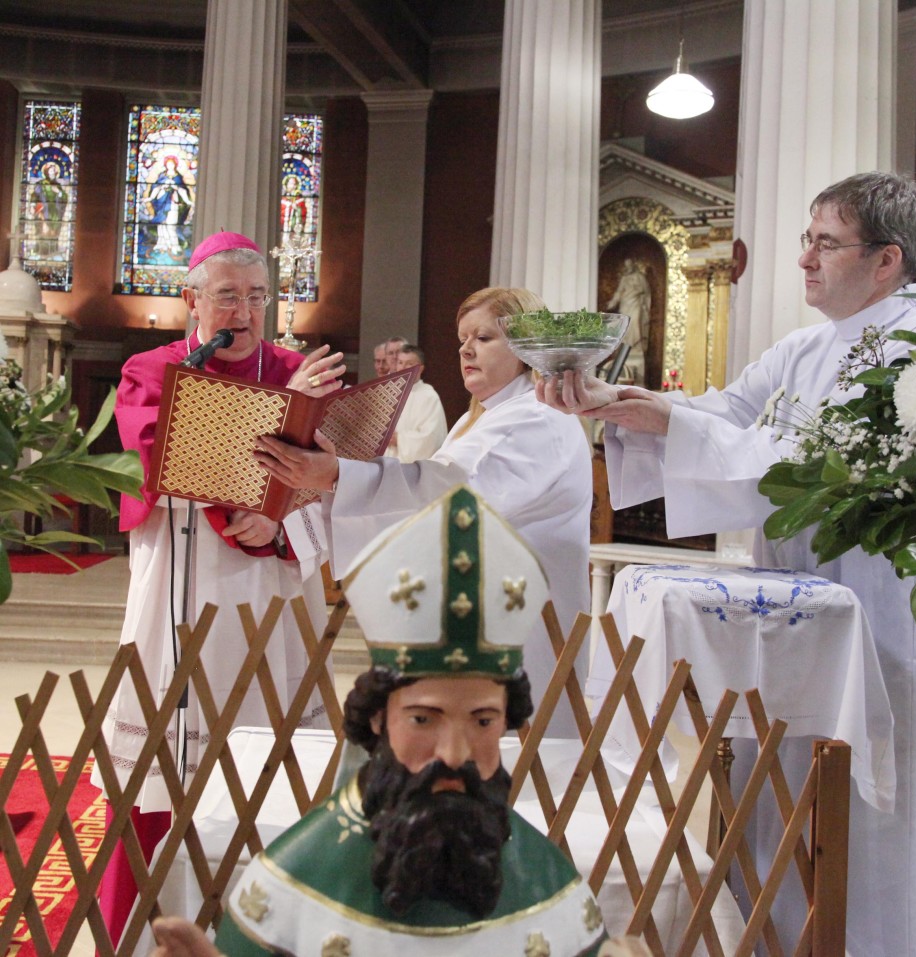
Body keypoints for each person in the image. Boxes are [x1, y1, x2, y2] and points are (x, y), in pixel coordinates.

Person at [537, 171, 916, 957]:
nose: (804, 258)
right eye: (806, 239)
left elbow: (817, 459)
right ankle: (770, 939)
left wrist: (669, 417)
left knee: (873, 807)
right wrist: (616, 403)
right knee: (779, 781)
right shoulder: (802, 347)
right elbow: (724, 416)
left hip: (885, 613)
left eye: (826, 242)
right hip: (795, 596)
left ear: (887, 260)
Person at [154, 486, 609, 956]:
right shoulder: (289, 893)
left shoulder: (554, 896)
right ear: (378, 720)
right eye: (423, 719)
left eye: (483, 722)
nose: (454, 753)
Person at [95, 231, 347, 945]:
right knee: (157, 779)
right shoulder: (153, 368)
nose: (245, 309)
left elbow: (340, 488)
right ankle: (144, 939)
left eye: (258, 296)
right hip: (180, 592)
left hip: (273, 595)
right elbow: (163, 462)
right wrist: (276, 429)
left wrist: (284, 521)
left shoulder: (296, 369)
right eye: (229, 294)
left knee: (274, 780)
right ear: (192, 300)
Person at [254, 287, 593, 734]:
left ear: (526, 347)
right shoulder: (484, 417)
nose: (466, 350)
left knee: (515, 765)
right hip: (479, 614)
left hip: (520, 620)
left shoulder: (537, 417)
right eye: (461, 340)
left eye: (484, 338)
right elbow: (425, 499)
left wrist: (339, 476)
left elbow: (453, 491)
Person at [384, 344, 448, 462]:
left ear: (420, 368)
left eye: (409, 363)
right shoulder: (389, 392)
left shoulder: (429, 396)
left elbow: (432, 439)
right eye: (400, 363)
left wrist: (399, 439)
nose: (403, 368)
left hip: (410, 468)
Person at [605, 258, 651, 385]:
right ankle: (625, 347)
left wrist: (641, 297)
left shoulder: (640, 277)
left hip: (636, 304)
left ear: (633, 266)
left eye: (630, 265)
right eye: (626, 265)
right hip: (626, 305)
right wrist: (612, 303)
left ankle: (635, 347)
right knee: (625, 327)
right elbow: (619, 293)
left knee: (635, 325)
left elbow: (646, 292)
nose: (628, 267)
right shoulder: (624, 279)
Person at [145, 156, 193, 259]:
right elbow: (155, 188)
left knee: (171, 226)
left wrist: (175, 187)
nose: (170, 165)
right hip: (162, 204)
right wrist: (162, 187)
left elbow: (183, 190)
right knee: (161, 225)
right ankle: (161, 244)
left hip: (173, 204)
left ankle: (174, 245)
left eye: (172, 164)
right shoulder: (162, 176)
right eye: (168, 164)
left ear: (175, 165)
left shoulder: (178, 177)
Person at [31, 161, 68, 256]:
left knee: (54, 231)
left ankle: (53, 251)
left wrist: (59, 192)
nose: (53, 172)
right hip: (44, 210)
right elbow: (35, 195)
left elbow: (64, 197)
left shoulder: (57, 185)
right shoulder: (41, 184)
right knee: (43, 230)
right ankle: (41, 251)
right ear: (47, 172)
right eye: (51, 171)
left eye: (54, 171)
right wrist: (32, 206)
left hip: (55, 212)